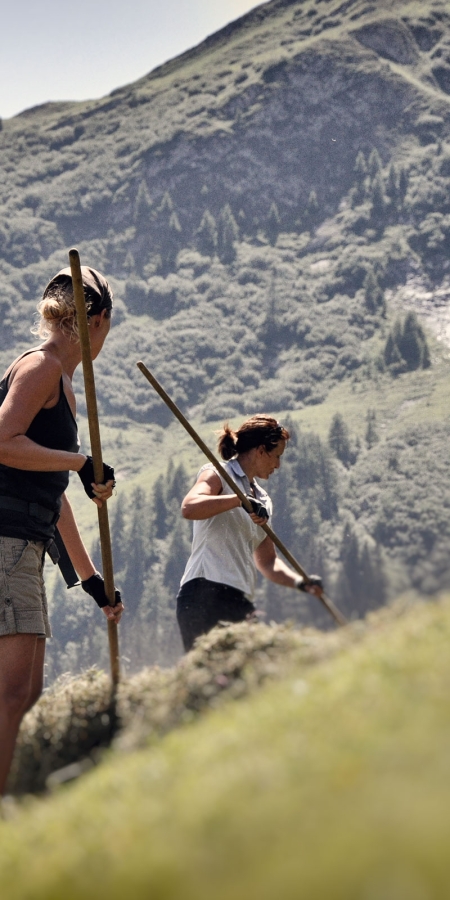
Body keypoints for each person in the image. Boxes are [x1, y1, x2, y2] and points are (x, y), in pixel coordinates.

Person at [0, 265, 123, 796]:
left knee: (23, 692)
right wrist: (79, 462)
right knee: (10, 692)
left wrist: (92, 580)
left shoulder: (63, 382)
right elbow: (3, 441)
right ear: (98, 320)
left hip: (25, 543)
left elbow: (50, 492)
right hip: (5, 542)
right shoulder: (43, 367)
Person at [177, 415, 322, 652]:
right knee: (213, 679)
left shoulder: (263, 500)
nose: (278, 465)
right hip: (203, 593)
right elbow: (190, 507)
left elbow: (267, 562)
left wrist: (300, 583)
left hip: (239, 598)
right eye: (276, 456)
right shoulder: (219, 474)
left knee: (248, 677)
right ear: (261, 451)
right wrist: (239, 500)